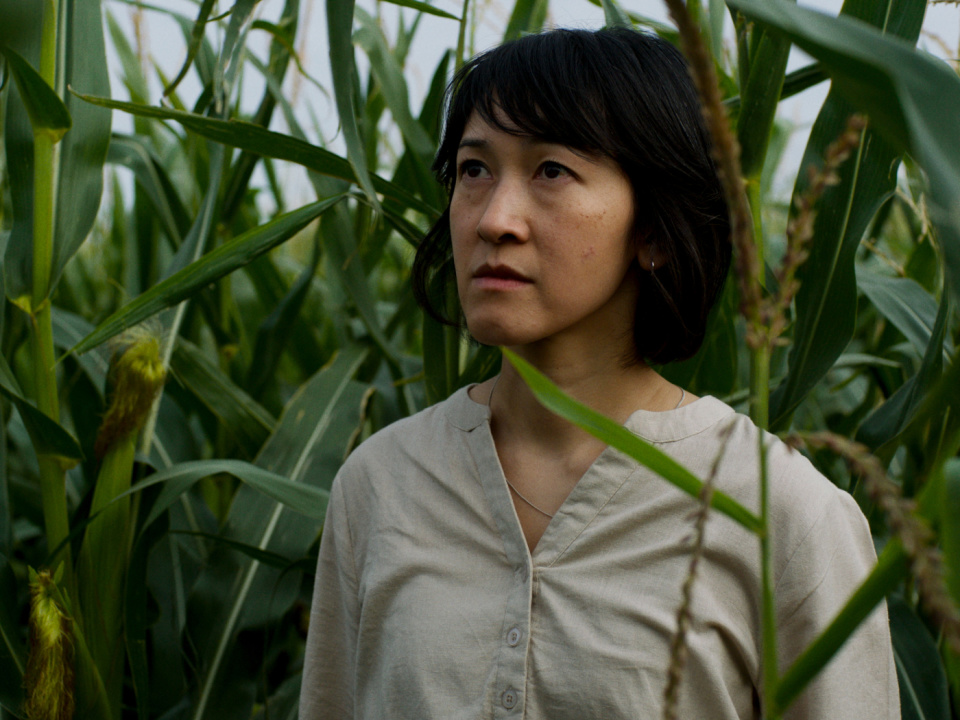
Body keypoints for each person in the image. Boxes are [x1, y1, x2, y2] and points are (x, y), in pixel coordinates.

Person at [299, 26, 898, 719]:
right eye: (473, 170)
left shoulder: (783, 517)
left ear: (653, 228)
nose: (495, 219)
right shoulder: (379, 486)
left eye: (551, 170)